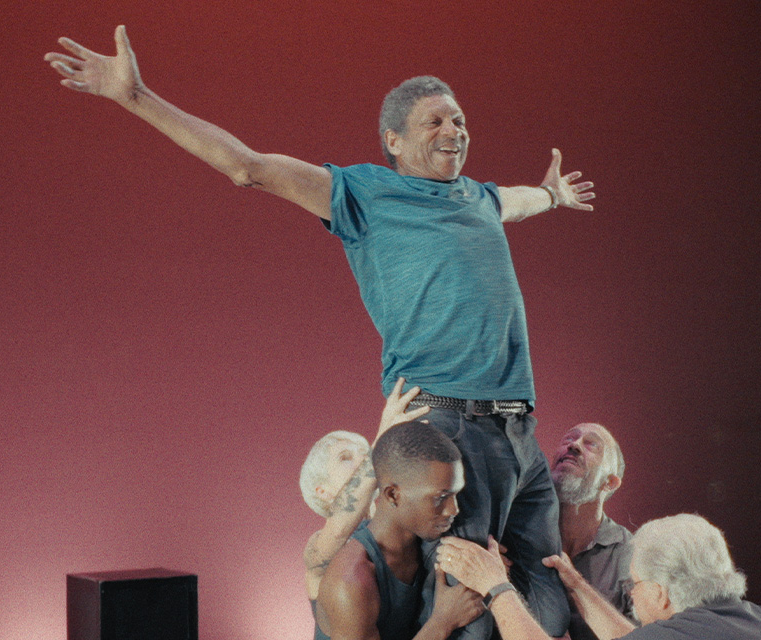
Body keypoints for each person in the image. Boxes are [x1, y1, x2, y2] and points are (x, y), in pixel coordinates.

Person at [45, 27, 595, 637]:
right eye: (435, 122)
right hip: (449, 424)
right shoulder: (365, 194)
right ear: (394, 140)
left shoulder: (478, 198)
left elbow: (515, 200)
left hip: (518, 427)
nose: (454, 131)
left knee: (549, 598)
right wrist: (136, 96)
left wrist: (551, 194)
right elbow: (248, 167)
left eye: (460, 120)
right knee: (472, 613)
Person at [436, 513, 761, 640]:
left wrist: (495, 585)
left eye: (635, 584)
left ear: (661, 594)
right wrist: (577, 586)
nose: (632, 594)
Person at [315, 420, 483, 640]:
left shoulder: (423, 537)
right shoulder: (350, 582)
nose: (454, 509)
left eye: (455, 494)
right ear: (393, 495)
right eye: (440, 497)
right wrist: (443, 621)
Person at [300, 379, 430, 607]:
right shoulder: (316, 551)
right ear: (323, 491)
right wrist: (383, 438)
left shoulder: (402, 527)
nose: (362, 458)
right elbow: (339, 530)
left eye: (364, 452)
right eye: (345, 458)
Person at [551, 423, 634, 638]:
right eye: (569, 439)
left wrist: (577, 584)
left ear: (610, 482)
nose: (574, 445)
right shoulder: (519, 531)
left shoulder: (632, 554)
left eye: (592, 444)